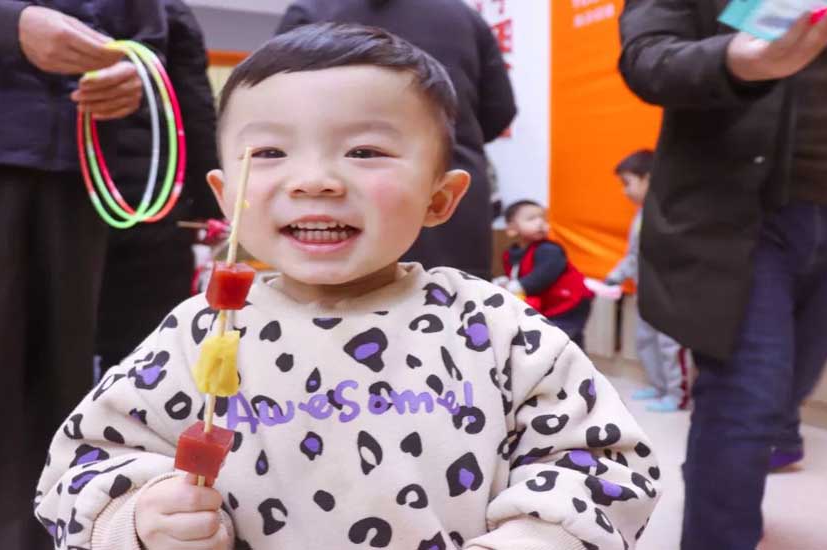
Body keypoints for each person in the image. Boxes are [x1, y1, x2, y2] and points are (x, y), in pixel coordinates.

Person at [35, 24, 660, 550]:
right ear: (227, 197)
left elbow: (600, 463)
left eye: (363, 152)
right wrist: (138, 519)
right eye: (270, 153)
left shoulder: (495, 326)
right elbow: (84, 463)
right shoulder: (200, 332)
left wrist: (532, 538)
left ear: (441, 198)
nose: (314, 180)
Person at [619, 2, 827, 548]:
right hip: (740, 212)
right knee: (747, 395)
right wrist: (735, 61)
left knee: (784, 394)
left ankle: (715, 479)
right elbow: (646, 57)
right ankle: (719, 527)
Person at [0, 1, 164, 548]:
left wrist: (134, 73)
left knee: (61, 395)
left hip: (79, 171)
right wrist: (0, 26)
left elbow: (150, 37)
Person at [275, 0, 517, 280]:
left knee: (338, 300)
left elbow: (278, 103)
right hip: (446, 191)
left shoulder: (313, 10)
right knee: (456, 298)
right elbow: (500, 109)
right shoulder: (464, 17)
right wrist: (439, 143)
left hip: (335, 199)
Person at [95, 0, 221, 371]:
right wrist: (210, 208)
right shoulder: (167, 12)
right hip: (152, 202)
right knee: (143, 350)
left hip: (74, 193)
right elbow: (196, 114)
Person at [606, 150, 690, 413]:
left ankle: (677, 395)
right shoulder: (641, 216)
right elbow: (634, 255)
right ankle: (659, 385)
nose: (624, 191)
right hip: (648, 292)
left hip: (671, 293)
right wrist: (615, 276)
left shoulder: (671, 213)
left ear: (649, 179)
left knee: (670, 345)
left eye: (627, 183)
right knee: (646, 340)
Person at [500, 200, 595, 350]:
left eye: (543, 219)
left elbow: (542, 276)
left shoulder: (549, 249)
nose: (540, 223)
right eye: (531, 218)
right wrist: (506, 282)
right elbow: (516, 276)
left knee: (560, 341)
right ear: (512, 228)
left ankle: (575, 363)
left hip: (570, 302)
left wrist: (519, 285)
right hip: (551, 304)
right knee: (565, 342)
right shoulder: (511, 254)